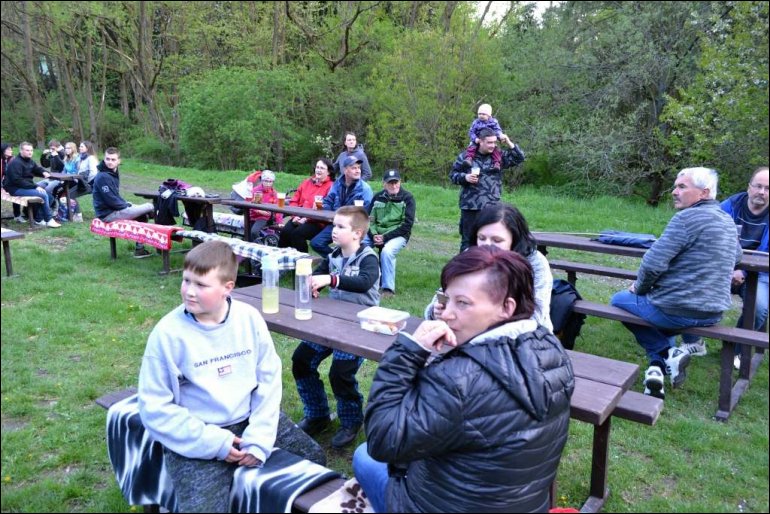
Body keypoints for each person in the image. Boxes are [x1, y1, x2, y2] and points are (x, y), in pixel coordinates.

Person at [353, 246, 574, 513]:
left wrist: (408, 351)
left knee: (364, 456)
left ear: (507, 307)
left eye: (463, 303)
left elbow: (382, 439)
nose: (446, 314)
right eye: (447, 300)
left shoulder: (458, 379)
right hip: (524, 505)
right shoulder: (551, 350)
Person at [137, 240, 283, 512]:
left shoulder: (249, 319)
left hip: (248, 419)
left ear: (228, 287)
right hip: (198, 430)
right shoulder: (168, 334)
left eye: (201, 285)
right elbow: (154, 407)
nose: (189, 291)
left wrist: (260, 437)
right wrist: (216, 443)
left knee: (314, 461)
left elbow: (269, 380)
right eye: (186, 280)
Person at [610, 167, 742, 400]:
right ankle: (657, 369)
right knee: (659, 318)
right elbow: (738, 255)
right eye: (675, 186)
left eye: (682, 187)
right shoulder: (727, 220)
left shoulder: (685, 218)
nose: (674, 192)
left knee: (619, 300)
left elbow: (652, 263)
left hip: (676, 310)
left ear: (704, 192)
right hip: (713, 313)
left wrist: (639, 288)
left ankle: (667, 352)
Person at [292, 206, 380, 449]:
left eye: (341, 226)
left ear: (357, 233)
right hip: (331, 323)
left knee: (340, 373)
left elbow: (364, 282)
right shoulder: (333, 256)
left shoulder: (368, 257)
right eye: (334, 225)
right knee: (301, 360)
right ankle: (317, 414)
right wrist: (313, 285)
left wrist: (331, 279)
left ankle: (351, 422)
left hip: (359, 326)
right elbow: (318, 277)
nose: (334, 230)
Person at [425, 202, 554, 332]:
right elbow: (443, 295)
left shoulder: (535, 263)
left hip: (526, 338)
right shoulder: (470, 255)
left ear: (514, 240)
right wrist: (435, 311)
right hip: (469, 333)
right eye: (481, 238)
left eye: (497, 240)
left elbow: (536, 316)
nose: (486, 245)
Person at [715, 166, 768, 370]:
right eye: (758, 186)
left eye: (768, 188)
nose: (762, 192)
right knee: (689, 286)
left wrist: (743, 271)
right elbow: (713, 238)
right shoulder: (729, 206)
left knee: (759, 308)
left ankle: (734, 349)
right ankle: (693, 341)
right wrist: (730, 268)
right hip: (723, 267)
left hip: (759, 274)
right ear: (749, 187)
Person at [450, 127, 525, 252]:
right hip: (470, 207)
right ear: (480, 141)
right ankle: (465, 264)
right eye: (489, 142)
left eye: (494, 142)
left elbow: (519, 158)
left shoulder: (498, 157)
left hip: (492, 207)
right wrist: (465, 177)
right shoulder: (466, 157)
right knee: (468, 242)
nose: (493, 145)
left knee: (491, 241)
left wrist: (508, 142)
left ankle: (489, 264)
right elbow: (453, 175)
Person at [92, 147, 155, 256]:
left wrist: (127, 204)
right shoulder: (103, 176)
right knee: (150, 206)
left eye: (113, 159)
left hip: (113, 210)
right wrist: (126, 206)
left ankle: (140, 250)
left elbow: (115, 197)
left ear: (119, 161)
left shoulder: (112, 173)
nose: (110, 162)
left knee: (142, 215)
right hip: (108, 214)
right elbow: (111, 201)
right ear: (104, 159)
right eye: (107, 159)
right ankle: (162, 235)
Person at [310, 155, 373, 259]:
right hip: (337, 223)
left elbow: (365, 213)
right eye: (354, 168)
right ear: (345, 170)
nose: (358, 171)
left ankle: (344, 260)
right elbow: (328, 200)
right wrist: (322, 206)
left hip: (353, 226)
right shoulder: (337, 184)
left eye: (358, 168)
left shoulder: (364, 189)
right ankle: (338, 259)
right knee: (316, 243)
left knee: (353, 247)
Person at [368, 169, 415, 298]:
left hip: (399, 235)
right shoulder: (377, 197)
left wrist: (385, 237)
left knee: (387, 251)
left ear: (400, 182)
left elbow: (407, 225)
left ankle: (388, 289)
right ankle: (362, 281)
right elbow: (369, 219)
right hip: (376, 233)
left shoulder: (408, 198)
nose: (394, 186)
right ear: (383, 184)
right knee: (359, 246)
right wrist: (373, 235)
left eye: (396, 182)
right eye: (390, 183)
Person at [278, 158, 334, 252]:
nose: (318, 170)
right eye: (317, 167)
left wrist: (306, 219)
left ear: (328, 172)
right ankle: (283, 258)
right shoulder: (306, 182)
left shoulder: (331, 186)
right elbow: (294, 200)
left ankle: (303, 260)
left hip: (317, 221)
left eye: (322, 168)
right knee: (285, 232)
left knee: (297, 234)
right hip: (299, 216)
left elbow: (326, 208)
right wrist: (294, 216)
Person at [3, 142, 61, 227]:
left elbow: (37, 168)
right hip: (15, 189)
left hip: (25, 187)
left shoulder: (29, 161)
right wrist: (35, 187)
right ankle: (49, 219)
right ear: (21, 151)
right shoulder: (16, 163)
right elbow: (17, 180)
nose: (30, 152)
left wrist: (44, 172)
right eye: (27, 150)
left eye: (31, 150)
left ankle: (38, 219)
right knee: (43, 194)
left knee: (50, 197)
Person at [463, 103, 508, 171]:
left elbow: (497, 130)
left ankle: (496, 163)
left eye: (483, 114)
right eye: (479, 114)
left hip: (490, 139)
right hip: (478, 139)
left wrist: (500, 136)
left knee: (496, 150)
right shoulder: (476, 122)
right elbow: (471, 132)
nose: (481, 116)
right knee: (472, 147)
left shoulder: (493, 122)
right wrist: (475, 139)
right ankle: (469, 158)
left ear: (489, 115)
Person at [248, 170, 283, 242]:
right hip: (254, 216)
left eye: (270, 182)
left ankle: (261, 244)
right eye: (266, 181)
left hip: (265, 217)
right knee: (251, 232)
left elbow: (278, 209)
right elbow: (254, 206)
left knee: (254, 231)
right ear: (262, 181)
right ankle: (258, 243)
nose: (268, 184)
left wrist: (279, 222)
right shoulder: (257, 191)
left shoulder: (274, 193)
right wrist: (261, 212)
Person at [1, 142, 26, 222]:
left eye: (11, 149)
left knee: (16, 190)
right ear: (3, 150)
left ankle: (17, 215)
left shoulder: (12, 160)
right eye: (9, 149)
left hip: (9, 184)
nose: (11, 151)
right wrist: (1, 188)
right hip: (3, 184)